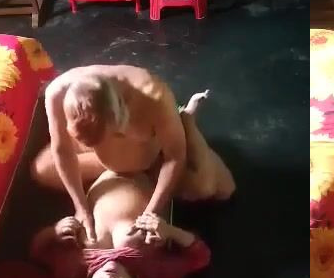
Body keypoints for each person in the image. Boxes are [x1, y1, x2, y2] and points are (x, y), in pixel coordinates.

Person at [29, 93, 217, 278]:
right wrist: (169, 231)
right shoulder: (153, 273)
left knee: (40, 169)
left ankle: (117, 134)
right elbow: (200, 257)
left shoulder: (72, 271)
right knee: (205, 185)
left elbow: (37, 250)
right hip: (152, 170)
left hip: (105, 169)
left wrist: (54, 231)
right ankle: (185, 123)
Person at [32, 69, 234, 244]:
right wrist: (81, 209)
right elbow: (62, 151)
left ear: (119, 113)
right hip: (106, 162)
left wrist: (151, 212)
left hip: (153, 157)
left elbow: (174, 155)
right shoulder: (56, 93)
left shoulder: (152, 94)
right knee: (42, 170)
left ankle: (186, 121)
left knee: (210, 187)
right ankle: (119, 165)